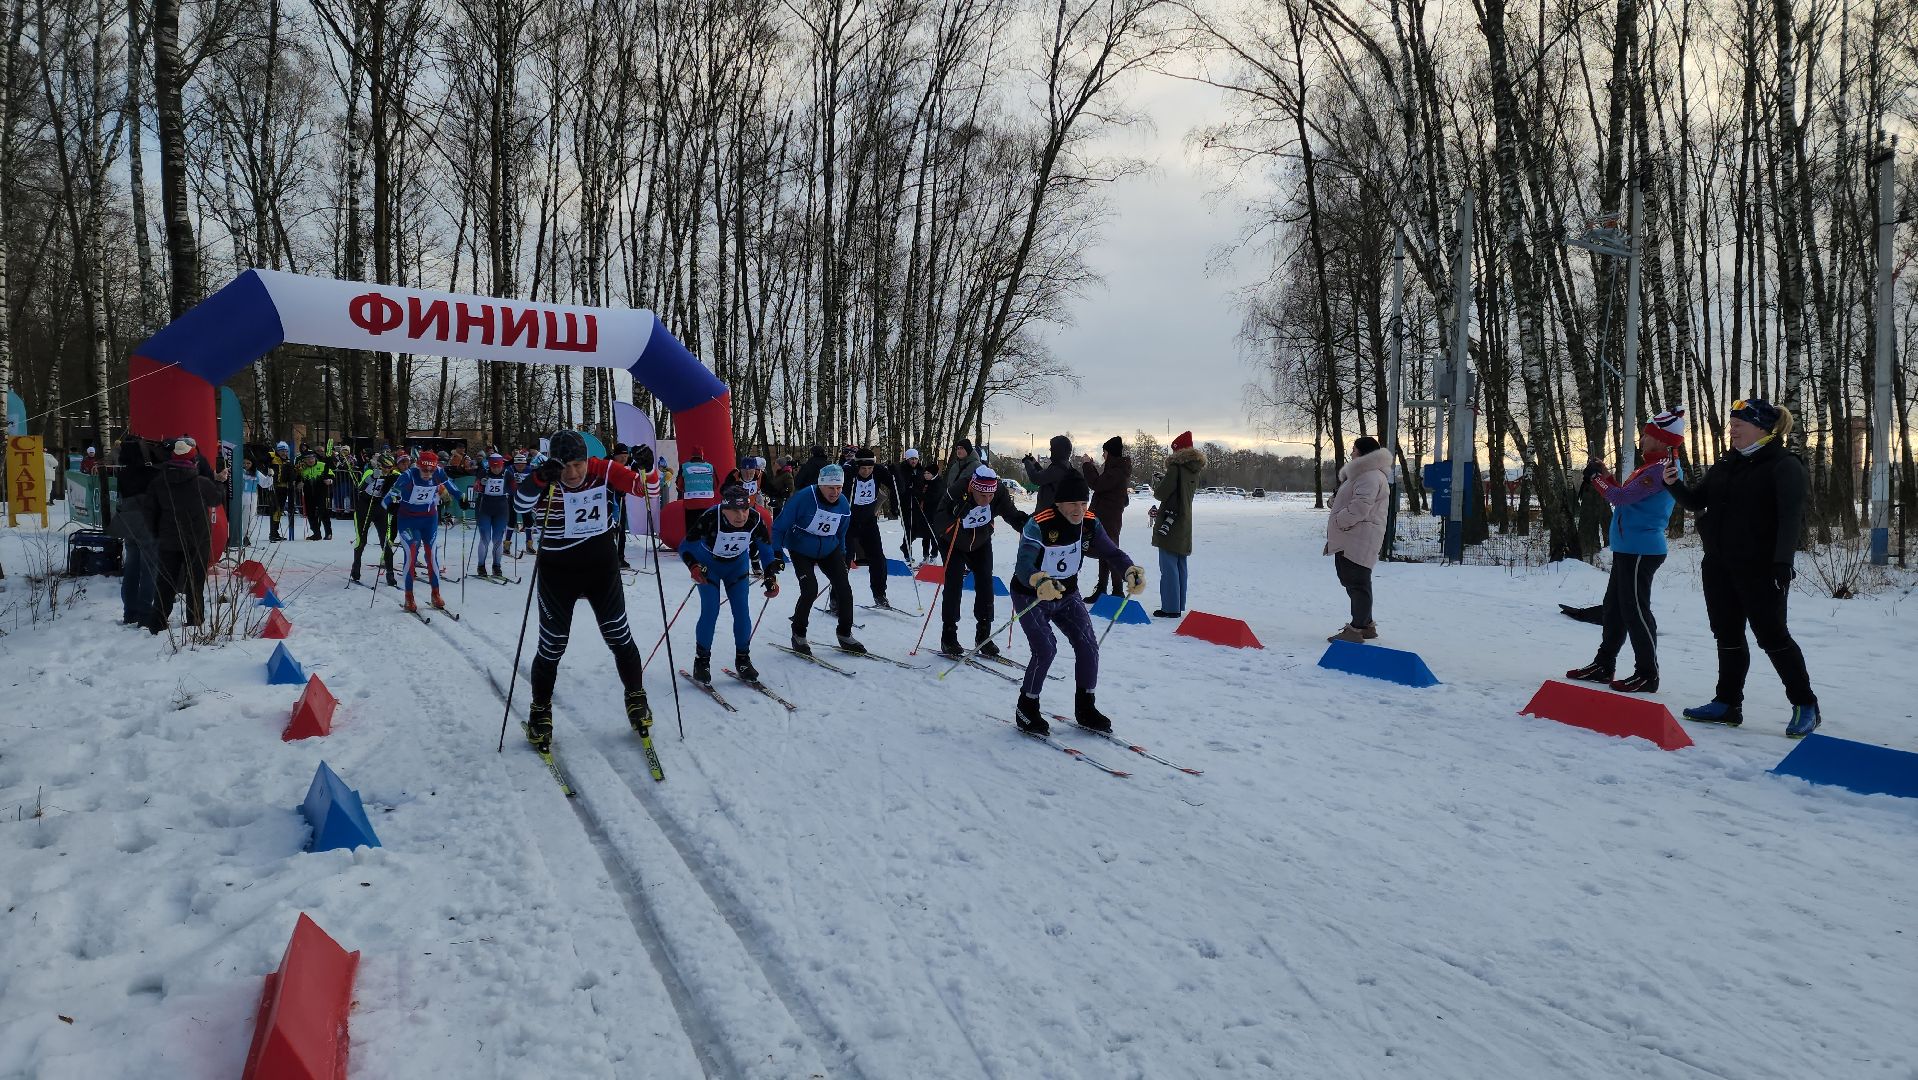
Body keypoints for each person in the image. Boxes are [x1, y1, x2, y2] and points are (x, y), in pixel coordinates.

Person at [1663, 398, 1821, 738]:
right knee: (1727, 634)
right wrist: (1674, 484)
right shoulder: (1726, 465)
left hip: (1761, 568)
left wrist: (1783, 562)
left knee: (1773, 636)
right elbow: (1695, 501)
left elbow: (1791, 518)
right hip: (1719, 565)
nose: (1732, 428)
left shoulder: (1784, 465)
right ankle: (1727, 703)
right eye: (1731, 423)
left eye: (1739, 423)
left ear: (1762, 427)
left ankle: (1805, 704)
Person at [513, 430, 658, 751]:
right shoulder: (546, 473)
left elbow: (646, 490)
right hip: (557, 573)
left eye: (578, 465)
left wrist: (649, 469)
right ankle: (540, 710)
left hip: (600, 569)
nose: (573, 473)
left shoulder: (601, 469)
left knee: (619, 636)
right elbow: (519, 503)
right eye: (566, 466)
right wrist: (537, 480)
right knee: (552, 646)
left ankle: (636, 696)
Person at [1009, 471, 1145, 735]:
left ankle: (1086, 707)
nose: (1079, 510)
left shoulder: (1090, 522)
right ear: (1059, 503)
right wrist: (1039, 581)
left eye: (1083, 503)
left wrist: (1130, 570)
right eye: (1073, 503)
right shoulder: (1039, 523)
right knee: (1046, 649)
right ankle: (1027, 707)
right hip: (1030, 594)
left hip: (1067, 594)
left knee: (1088, 645)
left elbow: (1111, 552)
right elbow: (1024, 564)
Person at [1564, 409, 1687, 691]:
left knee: (1635, 611)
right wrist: (1604, 474)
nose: (1641, 439)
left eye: (1646, 435)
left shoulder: (1662, 469)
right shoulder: (1649, 466)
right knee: (1614, 609)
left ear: (1660, 439)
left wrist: (1596, 479)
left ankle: (1647, 673)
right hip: (1628, 548)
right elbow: (1624, 494)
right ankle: (1603, 664)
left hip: (1642, 549)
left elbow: (1619, 498)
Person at [680, 484, 782, 685]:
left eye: (744, 509)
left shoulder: (753, 518)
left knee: (742, 612)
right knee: (710, 611)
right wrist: (693, 566)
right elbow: (685, 546)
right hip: (709, 567)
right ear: (724, 508)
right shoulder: (711, 517)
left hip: (736, 568)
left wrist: (770, 576)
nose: (741, 515)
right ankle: (702, 661)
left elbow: (766, 550)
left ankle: (743, 659)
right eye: (734, 510)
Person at [930, 465, 1028, 657]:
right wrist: (954, 513)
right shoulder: (958, 490)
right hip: (953, 541)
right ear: (973, 488)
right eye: (982, 496)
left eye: (990, 496)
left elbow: (1011, 514)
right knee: (954, 582)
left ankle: (983, 634)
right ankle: (948, 635)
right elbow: (938, 518)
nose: (987, 500)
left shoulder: (998, 491)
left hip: (981, 541)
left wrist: (1027, 526)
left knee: (985, 582)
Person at [770, 462, 862, 654]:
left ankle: (845, 634)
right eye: (831, 487)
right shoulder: (803, 498)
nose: (835, 492)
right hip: (801, 549)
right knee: (810, 589)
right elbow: (778, 527)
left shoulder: (843, 503)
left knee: (844, 589)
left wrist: (843, 555)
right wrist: (776, 553)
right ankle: (798, 634)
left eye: (838, 487)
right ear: (821, 484)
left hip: (829, 549)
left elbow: (842, 532)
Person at [143, 436, 225, 635]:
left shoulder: (159, 481)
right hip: (197, 540)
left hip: (168, 540)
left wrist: (156, 534)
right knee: (194, 583)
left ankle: (157, 622)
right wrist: (221, 482)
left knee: (165, 582)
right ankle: (195, 620)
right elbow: (216, 500)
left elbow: (149, 512)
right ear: (194, 460)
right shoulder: (202, 483)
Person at [1324, 436, 1392, 643]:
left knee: (1356, 582)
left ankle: (1356, 630)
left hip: (1356, 536)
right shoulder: (1364, 475)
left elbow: (1361, 506)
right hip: (1355, 536)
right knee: (1356, 581)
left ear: (1363, 452)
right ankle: (1366, 625)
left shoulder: (1369, 476)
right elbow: (1353, 498)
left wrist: (1340, 520)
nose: (1351, 453)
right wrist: (1335, 502)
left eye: (1354, 449)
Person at [381, 450, 460, 612]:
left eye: (431, 470)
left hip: (429, 520)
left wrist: (462, 498)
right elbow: (389, 496)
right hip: (408, 520)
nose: (428, 474)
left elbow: (451, 488)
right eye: (425, 470)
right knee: (411, 552)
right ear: (418, 466)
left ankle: (435, 593)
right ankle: (409, 597)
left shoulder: (438, 473)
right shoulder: (408, 476)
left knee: (431, 555)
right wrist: (388, 505)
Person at [1149, 430, 1204, 618]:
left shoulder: (1176, 468)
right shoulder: (1194, 470)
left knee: (1168, 565)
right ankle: (1178, 604)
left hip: (1170, 522)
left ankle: (1170, 607)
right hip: (1184, 520)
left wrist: (1159, 483)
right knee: (1181, 564)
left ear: (1178, 451)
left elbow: (1162, 493)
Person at [112, 435, 159, 625]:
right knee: (149, 569)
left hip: (128, 523)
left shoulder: (122, 474)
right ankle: (145, 612)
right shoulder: (151, 473)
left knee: (131, 566)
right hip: (147, 523)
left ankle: (129, 611)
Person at [844, 449, 898, 608]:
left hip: (868, 521)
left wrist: (896, 474)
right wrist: (850, 473)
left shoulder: (879, 471)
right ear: (857, 465)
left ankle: (879, 594)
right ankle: (836, 598)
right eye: (863, 469)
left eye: (870, 468)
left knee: (878, 558)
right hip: (849, 521)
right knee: (844, 560)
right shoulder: (848, 471)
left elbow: (897, 487)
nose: (866, 472)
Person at [1081, 437, 1132, 597]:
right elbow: (1101, 484)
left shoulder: (1117, 471)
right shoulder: (1114, 470)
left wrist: (1087, 465)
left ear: (1110, 453)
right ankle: (1102, 589)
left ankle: (1117, 591)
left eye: (1104, 452)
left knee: (1110, 552)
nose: (1103, 455)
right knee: (1105, 552)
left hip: (1109, 519)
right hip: (1105, 517)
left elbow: (1096, 484)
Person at [352, 452, 401, 585]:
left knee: (385, 541)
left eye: (390, 468)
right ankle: (356, 567)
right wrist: (373, 477)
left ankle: (390, 574)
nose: (387, 470)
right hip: (364, 508)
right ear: (379, 465)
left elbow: (402, 485)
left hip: (381, 508)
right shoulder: (370, 472)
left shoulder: (394, 475)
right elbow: (360, 488)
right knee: (361, 540)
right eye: (385, 467)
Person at [471, 452, 514, 579]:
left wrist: (516, 484)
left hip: (501, 509)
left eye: (498, 466)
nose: (496, 469)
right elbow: (475, 487)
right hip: (484, 508)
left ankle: (497, 566)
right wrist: (480, 485)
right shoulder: (483, 472)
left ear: (502, 465)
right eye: (493, 466)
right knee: (485, 538)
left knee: (497, 539)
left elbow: (514, 490)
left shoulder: (507, 473)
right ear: (489, 466)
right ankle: (481, 566)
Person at [893, 448, 934, 562]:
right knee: (908, 528)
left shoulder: (921, 470)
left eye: (916, 459)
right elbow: (897, 487)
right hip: (906, 503)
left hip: (918, 504)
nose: (914, 461)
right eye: (911, 459)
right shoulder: (901, 469)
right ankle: (907, 551)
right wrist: (895, 505)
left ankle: (905, 546)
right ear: (907, 459)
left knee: (916, 529)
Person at [1022, 435, 1075, 513]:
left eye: (1052, 448)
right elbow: (1046, 478)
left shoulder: (1058, 469)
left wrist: (1027, 462)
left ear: (1058, 450)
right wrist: (1035, 463)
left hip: (1049, 516)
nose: (1050, 449)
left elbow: (1036, 478)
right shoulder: (1064, 466)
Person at [297, 450, 335, 540]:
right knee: (311, 514)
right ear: (304, 460)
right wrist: (298, 484)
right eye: (308, 458)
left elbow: (332, 475)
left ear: (315, 458)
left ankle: (328, 533)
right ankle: (316, 534)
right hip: (308, 494)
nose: (310, 460)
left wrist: (330, 481)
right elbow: (297, 480)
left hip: (321, 493)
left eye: (312, 458)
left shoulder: (322, 465)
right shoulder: (302, 468)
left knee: (323, 512)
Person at [507, 450, 536, 555]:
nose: (520, 466)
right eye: (517, 464)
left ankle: (529, 545)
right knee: (511, 521)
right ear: (514, 464)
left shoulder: (530, 470)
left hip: (525, 499)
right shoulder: (509, 470)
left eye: (522, 464)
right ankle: (506, 545)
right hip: (513, 498)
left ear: (525, 463)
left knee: (528, 521)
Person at [268, 442, 297, 541]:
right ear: (278, 451)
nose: (284, 453)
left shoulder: (288, 462)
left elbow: (291, 475)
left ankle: (275, 532)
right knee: (275, 509)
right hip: (274, 487)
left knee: (279, 510)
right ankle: (273, 532)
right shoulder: (272, 458)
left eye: (285, 451)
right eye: (281, 451)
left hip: (284, 488)